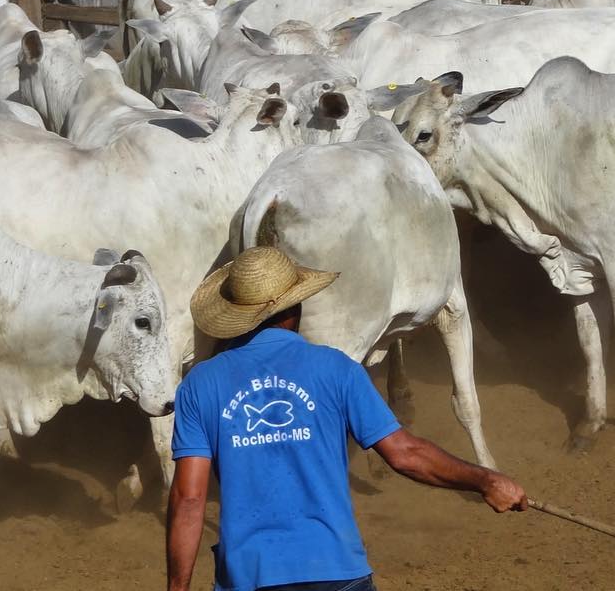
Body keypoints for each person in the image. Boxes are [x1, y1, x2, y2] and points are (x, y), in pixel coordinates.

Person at [167, 246, 527, 591]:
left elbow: (189, 498)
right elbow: (405, 454)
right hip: (336, 572)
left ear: (238, 315)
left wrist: (177, 586)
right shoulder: (337, 370)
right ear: (296, 304)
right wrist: (484, 480)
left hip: (248, 577)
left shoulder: (200, 385)